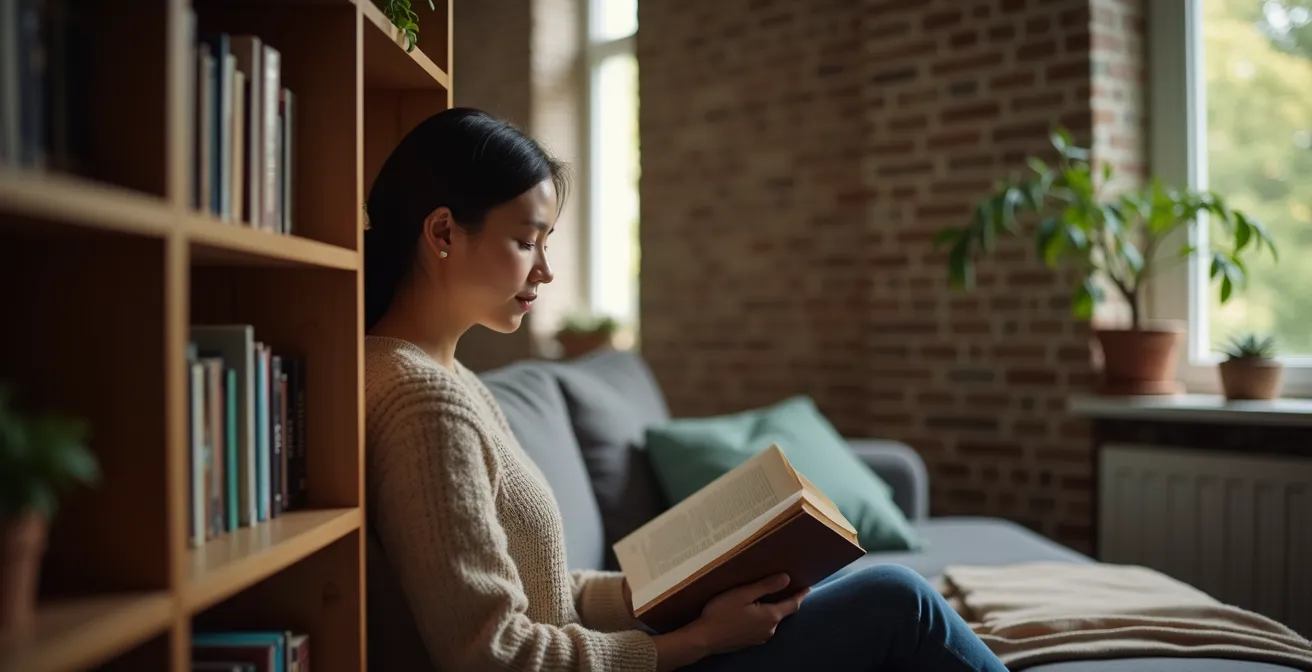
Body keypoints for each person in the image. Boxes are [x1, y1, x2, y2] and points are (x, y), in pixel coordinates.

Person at [362, 107, 1008, 672]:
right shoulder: (424, 400)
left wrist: (688, 593)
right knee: (899, 602)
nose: (546, 270)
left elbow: (547, 595)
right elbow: (491, 653)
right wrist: (696, 641)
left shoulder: (449, 379)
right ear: (443, 232)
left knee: (875, 595)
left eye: (547, 243)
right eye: (526, 240)